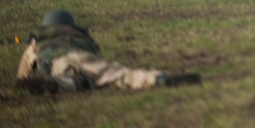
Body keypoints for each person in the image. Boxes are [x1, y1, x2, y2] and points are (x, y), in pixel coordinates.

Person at [16, 9, 201, 93]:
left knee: (74, 81)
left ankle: (58, 83)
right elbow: (96, 52)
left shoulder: (36, 42)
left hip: (59, 62)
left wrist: (27, 79)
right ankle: (157, 78)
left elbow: (22, 76)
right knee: (116, 75)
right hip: (86, 58)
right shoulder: (81, 35)